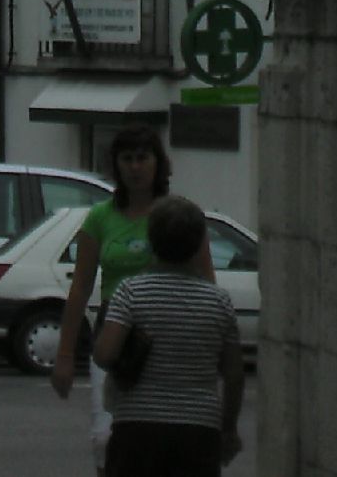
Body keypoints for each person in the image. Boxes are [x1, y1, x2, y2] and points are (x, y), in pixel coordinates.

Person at [50, 126, 212, 470]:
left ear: (158, 162)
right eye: (127, 159)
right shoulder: (100, 218)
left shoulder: (179, 215)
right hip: (115, 331)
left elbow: (206, 280)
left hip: (169, 330)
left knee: (161, 434)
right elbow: (80, 288)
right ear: (116, 165)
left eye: (142, 158)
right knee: (105, 436)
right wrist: (64, 354)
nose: (135, 167)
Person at [89, 196, 243, 475]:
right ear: (199, 244)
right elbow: (233, 374)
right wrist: (229, 428)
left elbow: (105, 354)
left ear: (151, 240)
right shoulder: (219, 301)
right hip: (199, 430)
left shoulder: (130, 292)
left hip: (136, 427)